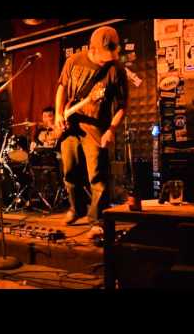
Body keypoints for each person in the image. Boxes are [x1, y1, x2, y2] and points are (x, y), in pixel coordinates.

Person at [54, 26, 129, 241]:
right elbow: (62, 87)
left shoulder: (117, 70)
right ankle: (76, 209)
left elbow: (123, 106)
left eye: (110, 57)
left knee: (97, 176)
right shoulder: (74, 61)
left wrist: (111, 129)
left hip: (96, 127)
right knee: (69, 173)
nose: (107, 61)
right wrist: (59, 113)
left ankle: (97, 221)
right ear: (92, 49)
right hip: (70, 124)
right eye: (103, 57)